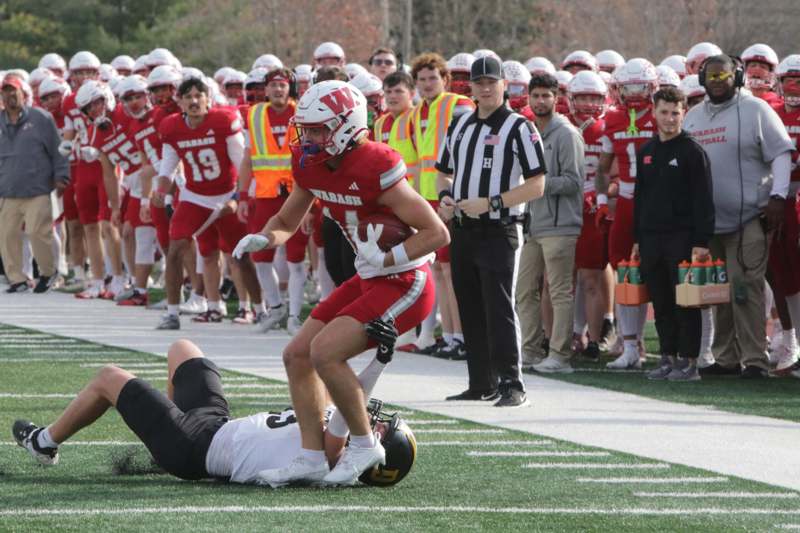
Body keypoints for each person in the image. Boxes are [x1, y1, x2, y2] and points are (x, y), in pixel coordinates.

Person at [233, 80, 448, 486]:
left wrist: (388, 257)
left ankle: (365, 444)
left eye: (317, 129)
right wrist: (264, 237)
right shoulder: (310, 163)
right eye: (307, 129)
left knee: (325, 353)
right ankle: (312, 456)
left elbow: (437, 232)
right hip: (369, 277)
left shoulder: (376, 164)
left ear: (346, 127)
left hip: (405, 281)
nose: (308, 137)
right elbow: (285, 221)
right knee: (296, 354)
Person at [11, 338, 416, 488]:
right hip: (214, 427)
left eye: (381, 427)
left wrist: (379, 364)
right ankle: (160, 438)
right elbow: (346, 396)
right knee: (183, 349)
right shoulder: (338, 441)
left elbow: (349, 410)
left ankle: (42, 443)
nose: (374, 421)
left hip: (195, 449)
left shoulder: (333, 459)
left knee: (108, 378)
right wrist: (377, 355)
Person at [436, 56, 546, 407]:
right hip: (464, 229)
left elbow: (537, 184)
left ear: (504, 85)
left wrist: (492, 202)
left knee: (499, 306)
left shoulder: (519, 127)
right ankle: (480, 382)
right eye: (478, 82)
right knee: (469, 305)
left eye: (491, 82)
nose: (485, 88)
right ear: (469, 86)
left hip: (500, 229)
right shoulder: (460, 125)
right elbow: (444, 171)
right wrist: (445, 197)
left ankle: (513, 384)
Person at [684, 54, 794, 379]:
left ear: (739, 77)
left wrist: (777, 197)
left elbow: (782, 152)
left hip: (748, 218)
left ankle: (755, 360)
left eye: (724, 75)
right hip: (708, 223)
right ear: (702, 80)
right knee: (717, 290)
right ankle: (726, 357)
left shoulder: (756, 110)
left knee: (745, 286)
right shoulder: (692, 117)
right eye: (712, 76)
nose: (718, 82)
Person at [153, 77, 261, 330]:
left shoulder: (222, 121)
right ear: (179, 101)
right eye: (188, 96)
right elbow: (167, 165)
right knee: (175, 248)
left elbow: (242, 164)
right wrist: (160, 189)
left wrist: (237, 198)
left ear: (207, 99)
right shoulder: (171, 126)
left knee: (242, 256)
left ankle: (260, 309)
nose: (193, 101)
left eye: (198, 96)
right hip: (195, 196)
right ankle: (172, 313)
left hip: (226, 193)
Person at [632, 87, 715, 381]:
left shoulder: (693, 151)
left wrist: (701, 242)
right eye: (664, 112)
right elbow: (640, 198)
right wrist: (637, 239)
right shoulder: (645, 152)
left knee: (685, 302)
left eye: (675, 113)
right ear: (654, 112)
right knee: (661, 299)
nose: (669, 119)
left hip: (682, 238)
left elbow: (704, 200)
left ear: (684, 113)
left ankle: (689, 362)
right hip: (651, 239)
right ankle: (667, 358)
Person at [401, 52, 474, 359]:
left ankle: (462, 336)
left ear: (445, 80)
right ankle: (451, 335)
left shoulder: (458, 104)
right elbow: (418, 161)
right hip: (427, 198)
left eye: (433, 78)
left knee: (453, 268)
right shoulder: (417, 113)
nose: (428, 84)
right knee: (440, 269)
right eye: (422, 79)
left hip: (450, 196)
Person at [515, 72, 584, 374]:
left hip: (561, 226)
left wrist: (536, 184)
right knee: (523, 291)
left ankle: (560, 355)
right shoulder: (530, 132)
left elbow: (573, 181)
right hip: (532, 226)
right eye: (536, 96)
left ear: (557, 98)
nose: (541, 101)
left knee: (558, 292)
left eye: (546, 95)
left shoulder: (567, 134)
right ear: (528, 98)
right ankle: (530, 351)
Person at [595, 58, 660, 370]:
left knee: (660, 270)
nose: (634, 93)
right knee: (623, 270)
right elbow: (603, 167)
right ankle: (630, 344)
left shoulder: (663, 114)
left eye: (640, 87)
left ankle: (673, 346)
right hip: (625, 200)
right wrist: (601, 199)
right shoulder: (613, 118)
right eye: (628, 87)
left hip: (657, 201)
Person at [237, 68, 307, 334]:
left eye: (282, 85)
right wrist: (242, 194)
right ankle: (276, 308)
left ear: (289, 88)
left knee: (296, 258)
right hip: (266, 194)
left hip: (297, 194)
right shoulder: (254, 114)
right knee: (261, 255)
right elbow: (248, 158)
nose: (278, 90)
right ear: (265, 90)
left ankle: (295, 315)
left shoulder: (301, 112)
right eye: (273, 85)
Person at [0, 75, 69, 293]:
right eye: (6, 91)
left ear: (23, 93)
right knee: (7, 235)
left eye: (14, 91)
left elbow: (58, 150)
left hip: (37, 188)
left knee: (39, 233)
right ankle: (17, 279)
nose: (10, 95)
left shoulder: (41, 118)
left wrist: (62, 176)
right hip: (8, 190)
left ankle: (48, 273)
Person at [567, 70, 614, 361]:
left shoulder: (608, 128)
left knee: (591, 277)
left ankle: (595, 339)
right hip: (562, 208)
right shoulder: (558, 127)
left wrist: (600, 194)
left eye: (593, 97)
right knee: (559, 279)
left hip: (593, 209)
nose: (587, 103)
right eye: (582, 97)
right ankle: (568, 334)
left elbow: (616, 172)